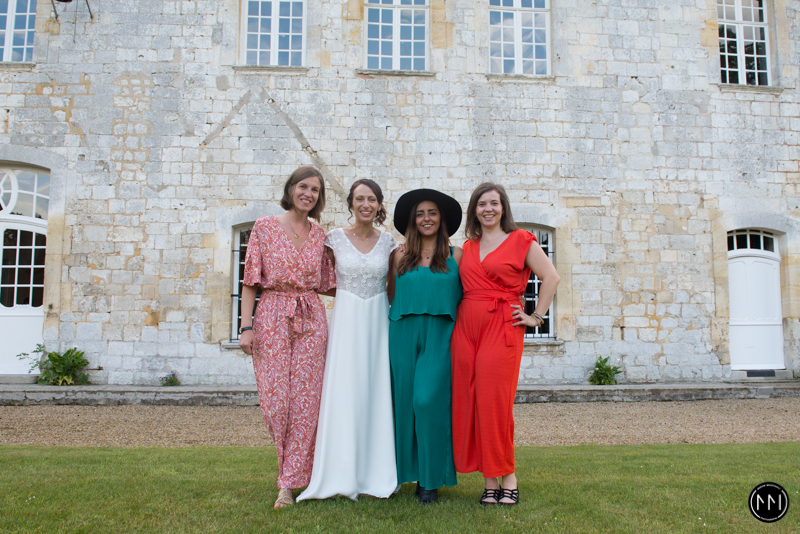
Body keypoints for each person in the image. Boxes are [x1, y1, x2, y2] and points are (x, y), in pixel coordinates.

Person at [450, 182, 560, 506]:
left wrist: (536, 317)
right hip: (466, 328)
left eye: (494, 203)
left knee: (495, 404)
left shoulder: (521, 239)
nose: (488, 209)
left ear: (503, 208)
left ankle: (507, 476)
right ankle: (489, 481)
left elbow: (551, 277)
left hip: (502, 326)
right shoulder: (467, 247)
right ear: (474, 211)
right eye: (481, 204)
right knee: (471, 401)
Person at [238, 166, 335, 509]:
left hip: (311, 318)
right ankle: (290, 472)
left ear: (319, 198)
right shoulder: (264, 227)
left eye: (315, 190)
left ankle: (288, 483)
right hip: (272, 316)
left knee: (306, 403)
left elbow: (330, 283)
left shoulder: (320, 235)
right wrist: (246, 327)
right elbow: (250, 280)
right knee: (276, 404)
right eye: (303, 187)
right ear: (291, 189)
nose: (308, 194)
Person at [298, 179, 399, 501]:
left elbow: (392, 288)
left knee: (375, 388)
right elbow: (319, 279)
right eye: (360, 199)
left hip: (377, 320)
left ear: (379, 205)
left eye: (372, 199)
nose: (366, 204)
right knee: (344, 388)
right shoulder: (333, 239)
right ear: (351, 204)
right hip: (346, 320)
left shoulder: (389, 243)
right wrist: (346, 295)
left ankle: (377, 473)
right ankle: (339, 472)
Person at [387, 189, 463, 504]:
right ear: (412, 220)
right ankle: (406, 474)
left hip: (440, 334)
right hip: (403, 332)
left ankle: (430, 479)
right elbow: (391, 294)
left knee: (427, 400)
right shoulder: (399, 255)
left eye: (432, 213)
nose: (426, 218)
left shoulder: (457, 255)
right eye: (420, 213)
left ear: (441, 218)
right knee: (404, 405)